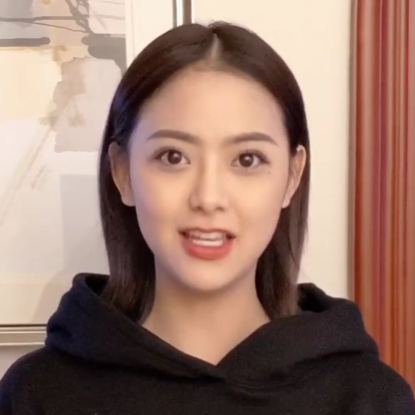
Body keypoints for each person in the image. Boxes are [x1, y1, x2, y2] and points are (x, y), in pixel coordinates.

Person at [0, 21, 414, 415]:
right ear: (122, 173)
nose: (209, 197)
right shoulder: (36, 393)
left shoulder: (370, 399)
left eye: (247, 160)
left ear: (292, 176)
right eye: (173, 157)